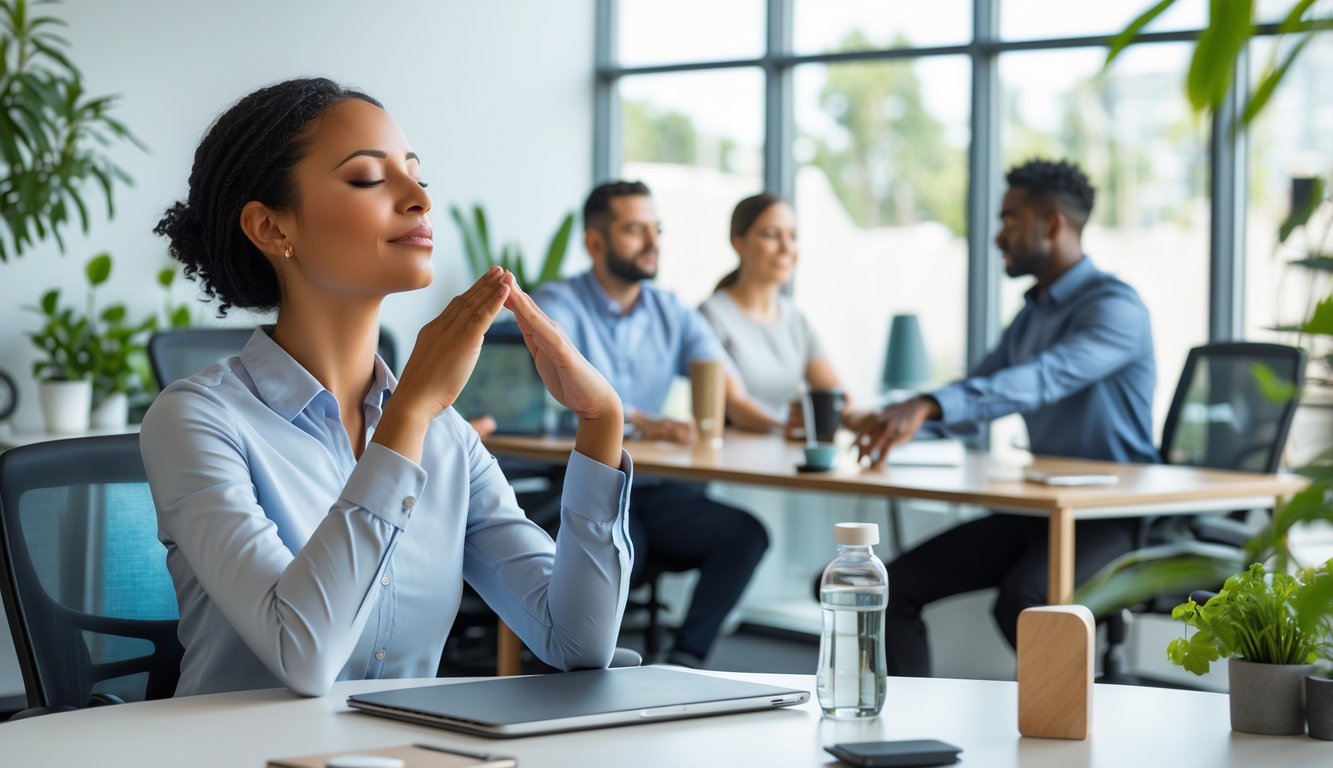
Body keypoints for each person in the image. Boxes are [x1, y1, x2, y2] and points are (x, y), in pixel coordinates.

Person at [142, 78, 632, 697]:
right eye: (369, 179)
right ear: (270, 227)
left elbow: (578, 642)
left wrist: (601, 421)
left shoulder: (445, 439)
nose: (419, 200)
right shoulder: (196, 420)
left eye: (417, 176)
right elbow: (303, 654)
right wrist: (408, 419)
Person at [852, 159, 1157, 676]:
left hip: (1111, 515)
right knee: (889, 588)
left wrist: (929, 404)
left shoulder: (1115, 309)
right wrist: (890, 421)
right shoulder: (1033, 313)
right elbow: (976, 397)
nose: (998, 236)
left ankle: (1085, 731)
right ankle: (908, 737)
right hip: (1042, 507)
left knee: (1024, 601)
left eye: (1010, 219)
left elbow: (1042, 378)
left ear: (1053, 224)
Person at [533, 180, 771, 667]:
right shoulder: (557, 305)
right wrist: (641, 422)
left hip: (659, 489)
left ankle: (686, 660)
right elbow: (548, 398)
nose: (653, 243)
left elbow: (730, 390)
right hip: (586, 485)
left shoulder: (672, 311)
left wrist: (795, 428)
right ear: (595, 242)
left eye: (656, 230)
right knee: (617, 556)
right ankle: (569, 671)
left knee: (744, 534)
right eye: (635, 231)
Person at [699, 193, 847, 431]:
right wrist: (788, 427)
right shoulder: (711, 316)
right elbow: (734, 406)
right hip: (734, 458)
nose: (786, 248)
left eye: (793, 236)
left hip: (787, 452)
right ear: (739, 242)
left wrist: (867, 419)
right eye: (771, 235)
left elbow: (836, 394)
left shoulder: (796, 321)